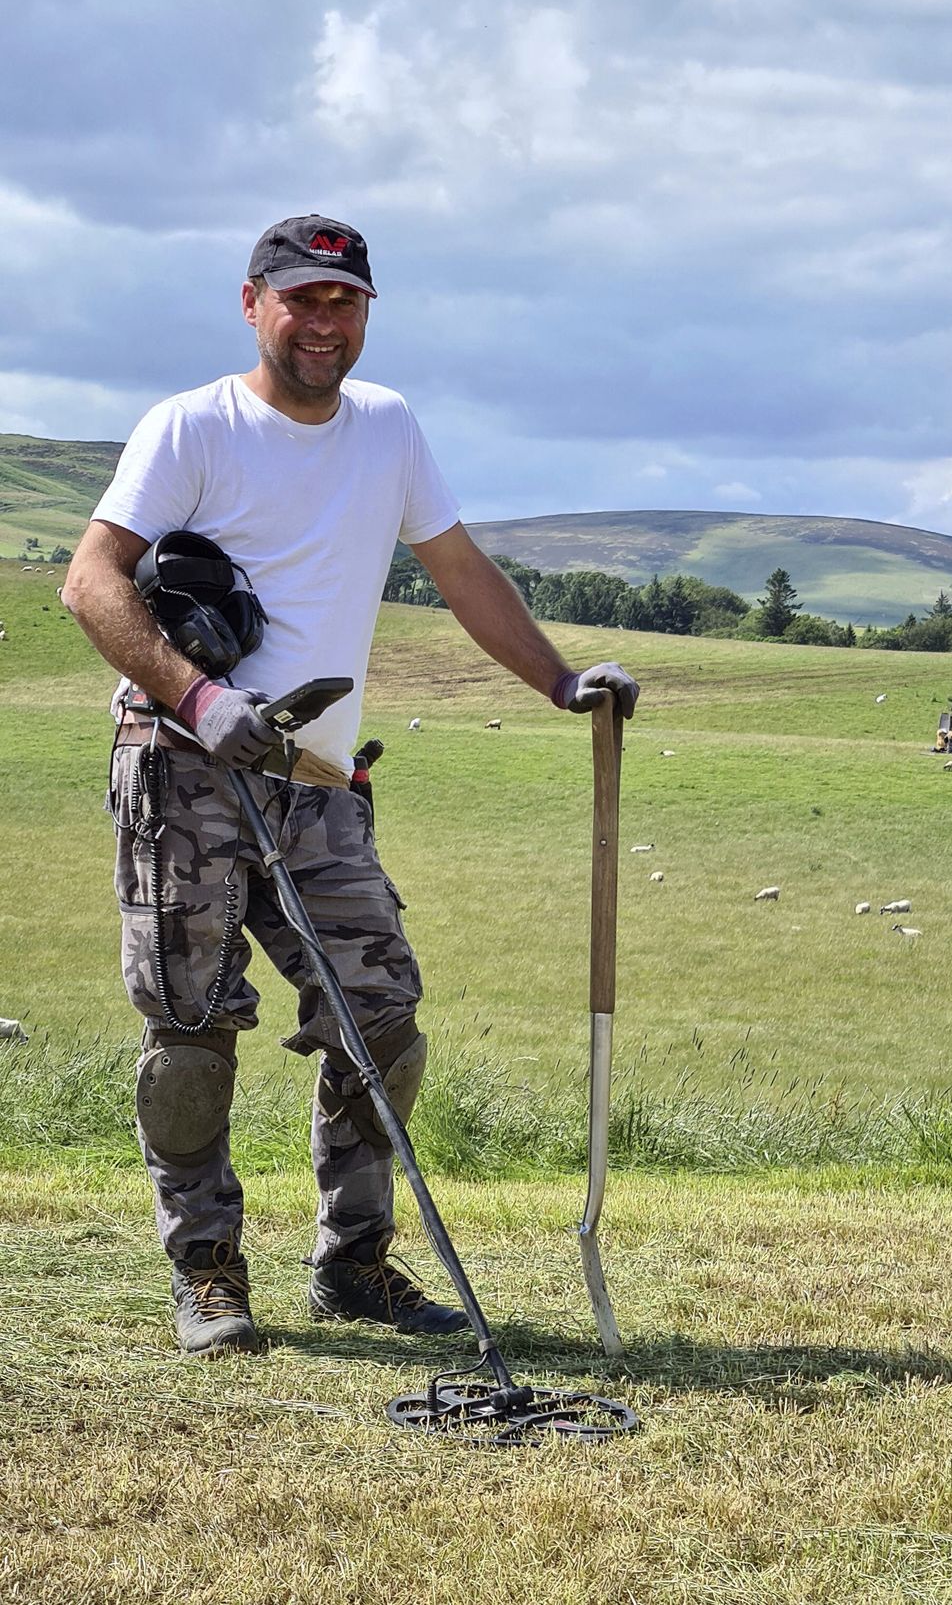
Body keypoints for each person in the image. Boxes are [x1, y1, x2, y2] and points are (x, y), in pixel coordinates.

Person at [63, 214, 639, 1357]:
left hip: (319, 778)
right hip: (187, 765)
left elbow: (462, 573)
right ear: (253, 303)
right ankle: (208, 1273)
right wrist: (199, 700)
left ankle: (354, 1267)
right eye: (302, 300)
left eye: (345, 303)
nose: (324, 323)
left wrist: (563, 681)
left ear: (366, 313)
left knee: (381, 1020)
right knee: (191, 1031)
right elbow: (91, 582)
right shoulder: (191, 426)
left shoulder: (388, 431)